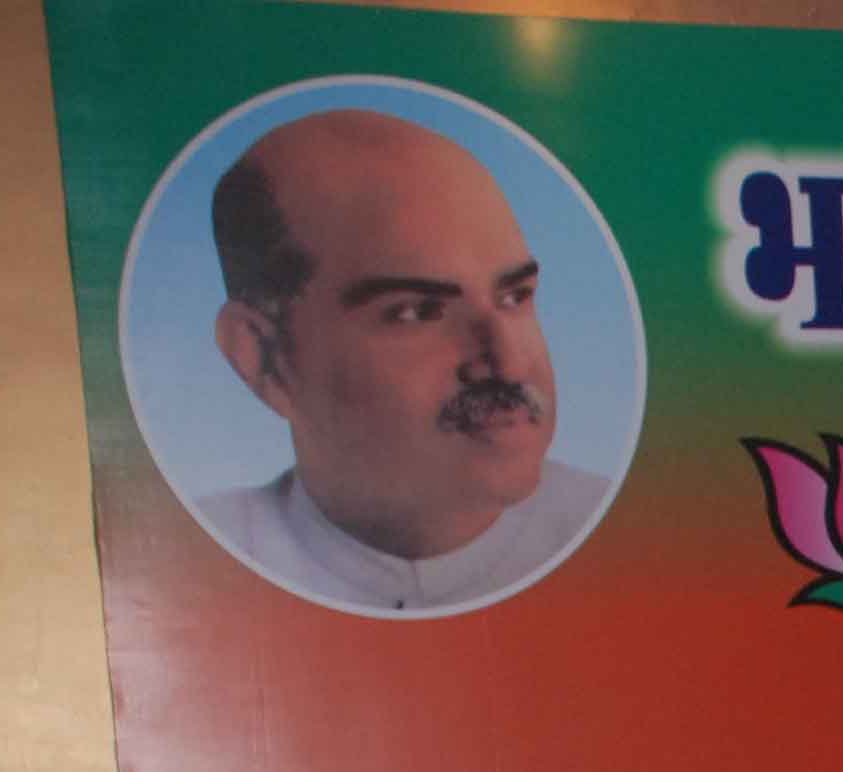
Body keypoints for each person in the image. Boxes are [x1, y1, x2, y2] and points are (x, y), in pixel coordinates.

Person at [201, 108, 610, 611]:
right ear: (263, 358)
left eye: (514, 297)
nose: (506, 363)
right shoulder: (196, 569)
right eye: (418, 312)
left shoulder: (646, 541)